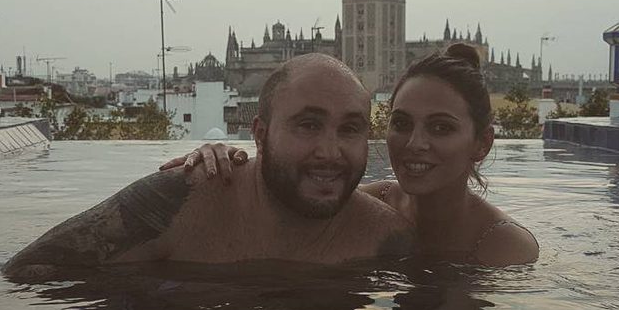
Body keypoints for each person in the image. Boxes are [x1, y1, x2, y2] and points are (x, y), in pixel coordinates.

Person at [2, 55, 414, 283]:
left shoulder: (385, 239)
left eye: (350, 129)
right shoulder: (178, 202)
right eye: (308, 125)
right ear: (259, 134)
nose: (330, 151)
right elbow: (28, 272)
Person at [163, 44, 539, 266]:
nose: (415, 143)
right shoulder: (369, 205)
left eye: (441, 128)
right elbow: (286, 192)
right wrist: (226, 158)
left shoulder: (503, 246)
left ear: (482, 144)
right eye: (402, 123)